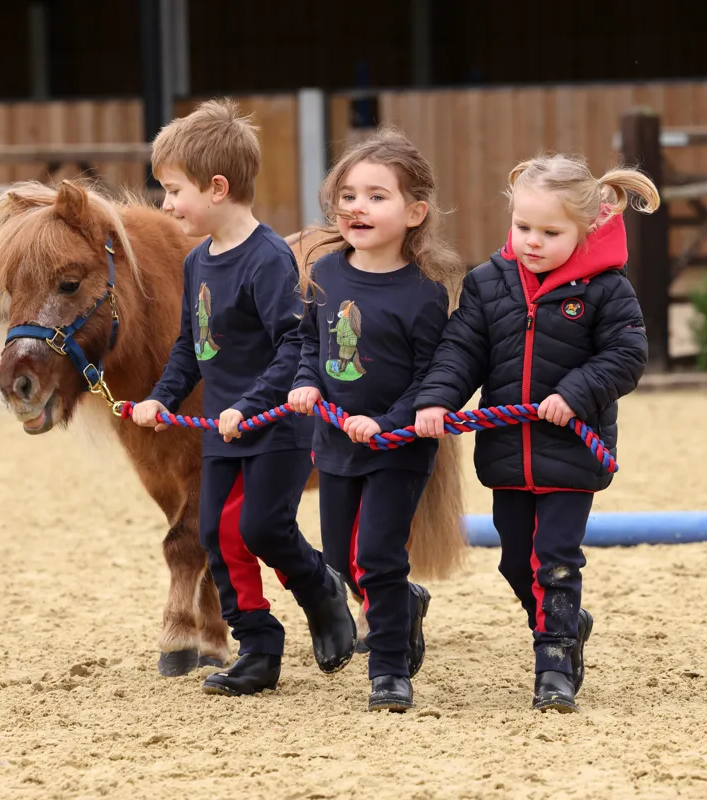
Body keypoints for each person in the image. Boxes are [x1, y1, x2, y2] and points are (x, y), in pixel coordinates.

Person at [414, 153, 657, 712]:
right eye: (523, 227)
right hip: (507, 455)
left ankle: (553, 664)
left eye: (550, 232)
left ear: (585, 229)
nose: (532, 241)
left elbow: (627, 355)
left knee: (555, 557)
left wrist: (573, 394)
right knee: (514, 560)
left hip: (570, 453)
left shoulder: (605, 289)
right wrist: (435, 399)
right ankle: (566, 623)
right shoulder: (486, 283)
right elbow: (461, 352)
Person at [132, 98, 356, 697]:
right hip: (223, 430)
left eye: (173, 190)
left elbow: (293, 347)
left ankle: (322, 591)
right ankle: (258, 646)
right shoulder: (198, 263)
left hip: (275, 429)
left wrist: (248, 406)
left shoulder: (269, 260)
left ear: (218, 187)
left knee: (262, 528)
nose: (166, 203)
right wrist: (162, 398)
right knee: (216, 535)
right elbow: (190, 345)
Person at [288, 128, 463, 712]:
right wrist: (306, 381)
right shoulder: (325, 273)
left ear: (415, 212)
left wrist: (387, 421)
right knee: (341, 560)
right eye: (348, 195)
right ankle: (404, 605)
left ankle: (389, 670)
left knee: (380, 556)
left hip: (398, 447)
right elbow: (309, 341)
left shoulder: (424, 293)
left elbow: (429, 377)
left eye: (376, 196)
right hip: (335, 443)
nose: (357, 207)